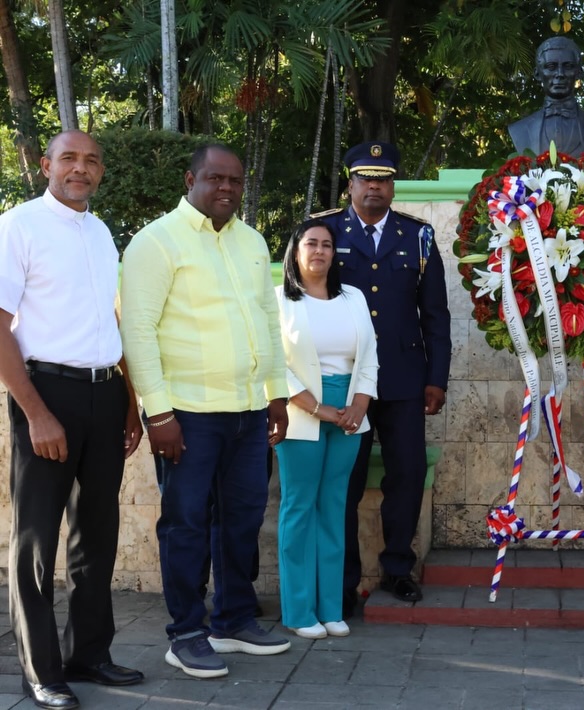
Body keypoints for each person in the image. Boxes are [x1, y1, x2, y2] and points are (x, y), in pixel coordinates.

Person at [119, 144, 291, 679]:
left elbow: (267, 318)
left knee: (240, 521)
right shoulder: (155, 242)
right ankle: (186, 633)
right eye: (215, 178)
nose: (226, 189)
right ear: (191, 179)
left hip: (246, 410)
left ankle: (234, 619)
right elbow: (138, 331)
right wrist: (158, 413)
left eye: (236, 181)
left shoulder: (252, 241)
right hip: (187, 414)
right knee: (187, 524)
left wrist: (277, 393)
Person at [0, 130, 145, 710]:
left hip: (105, 395)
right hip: (47, 392)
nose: (79, 168)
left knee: (97, 533)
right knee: (36, 538)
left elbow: (108, 325)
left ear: (100, 171)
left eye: (90, 160)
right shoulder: (19, 225)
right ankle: (43, 670)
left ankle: (90, 654)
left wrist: (129, 404)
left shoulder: (101, 231)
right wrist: (35, 411)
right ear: (46, 165)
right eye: (68, 158)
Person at [320, 142, 451, 608]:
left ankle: (398, 567)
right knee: (345, 480)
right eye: (365, 178)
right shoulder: (324, 231)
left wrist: (437, 378)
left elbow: (434, 313)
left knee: (407, 475)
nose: (374, 186)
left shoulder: (417, 237)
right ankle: (344, 579)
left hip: (402, 379)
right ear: (350, 183)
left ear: (393, 185)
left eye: (383, 178)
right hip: (345, 380)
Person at [274, 219, 379, 639]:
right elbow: (271, 362)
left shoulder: (352, 297)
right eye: (311, 244)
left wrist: (358, 403)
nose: (319, 251)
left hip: (350, 414)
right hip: (301, 413)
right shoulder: (279, 299)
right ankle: (299, 611)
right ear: (296, 251)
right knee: (299, 507)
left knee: (335, 507)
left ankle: (330, 608)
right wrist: (317, 407)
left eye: (327, 245)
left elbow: (370, 355)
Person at [508, 36, 584, 158]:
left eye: (568, 66)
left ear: (578, 72)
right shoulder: (520, 129)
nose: (560, 74)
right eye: (551, 67)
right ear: (538, 74)